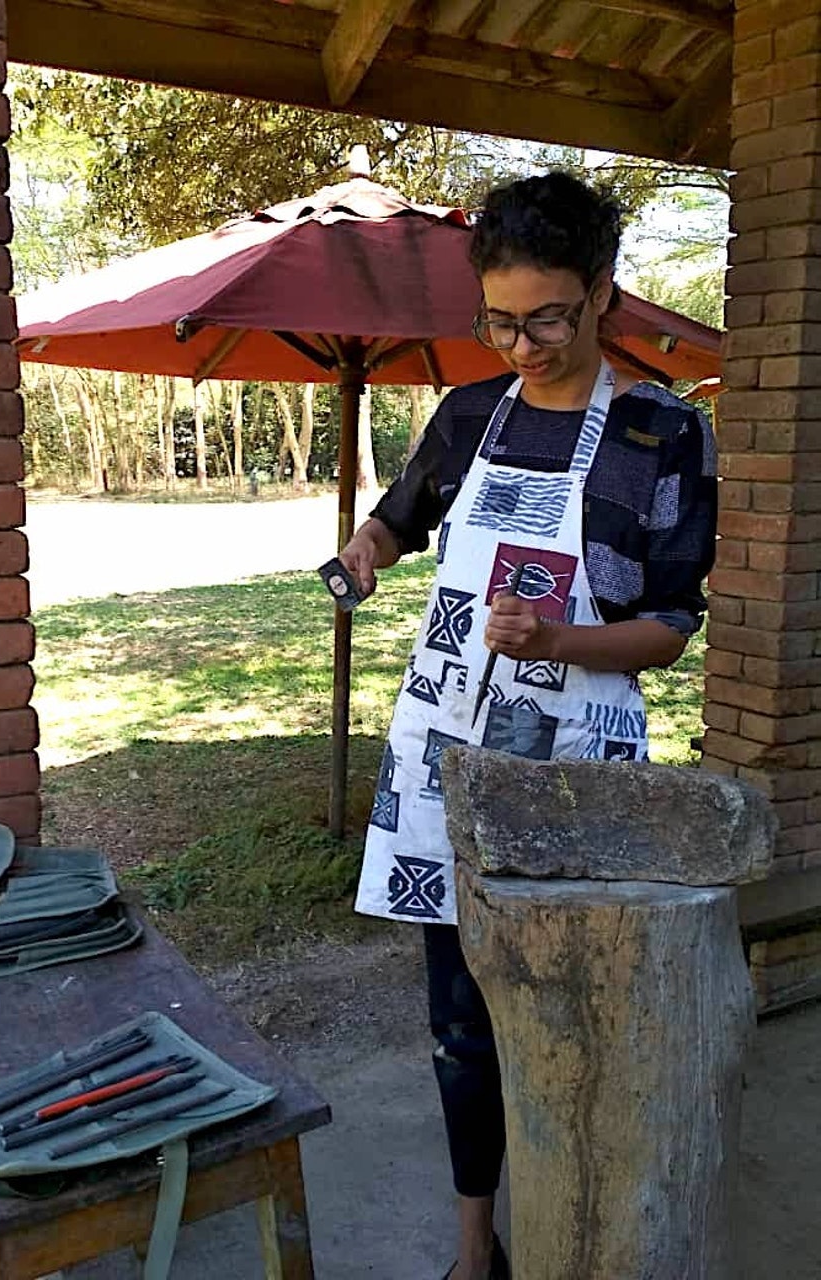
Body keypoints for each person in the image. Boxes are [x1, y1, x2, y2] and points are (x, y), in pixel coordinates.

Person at [339, 171, 717, 1280]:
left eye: (547, 315)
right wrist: (367, 548)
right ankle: (474, 1247)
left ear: (602, 292)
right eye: (499, 319)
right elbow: (402, 518)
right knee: (458, 1021)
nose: (522, 343)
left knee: (575, 1008)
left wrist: (556, 643)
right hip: (446, 754)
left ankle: (584, 1225)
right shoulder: (468, 414)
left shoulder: (662, 434)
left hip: (579, 766)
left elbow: (667, 625)